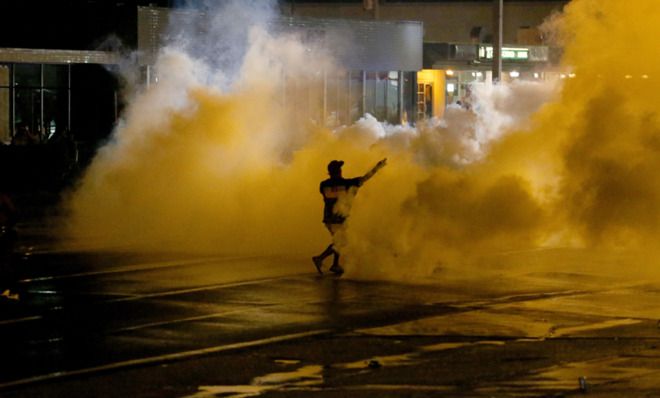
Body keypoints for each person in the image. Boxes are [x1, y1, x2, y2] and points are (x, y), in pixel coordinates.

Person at [312, 158, 387, 275]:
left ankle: (335, 264)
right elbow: (365, 178)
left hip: (328, 218)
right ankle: (320, 258)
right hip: (339, 218)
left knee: (338, 240)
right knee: (340, 241)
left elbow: (327, 194)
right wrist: (377, 168)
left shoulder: (323, 185)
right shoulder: (347, 184)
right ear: (339, 172)